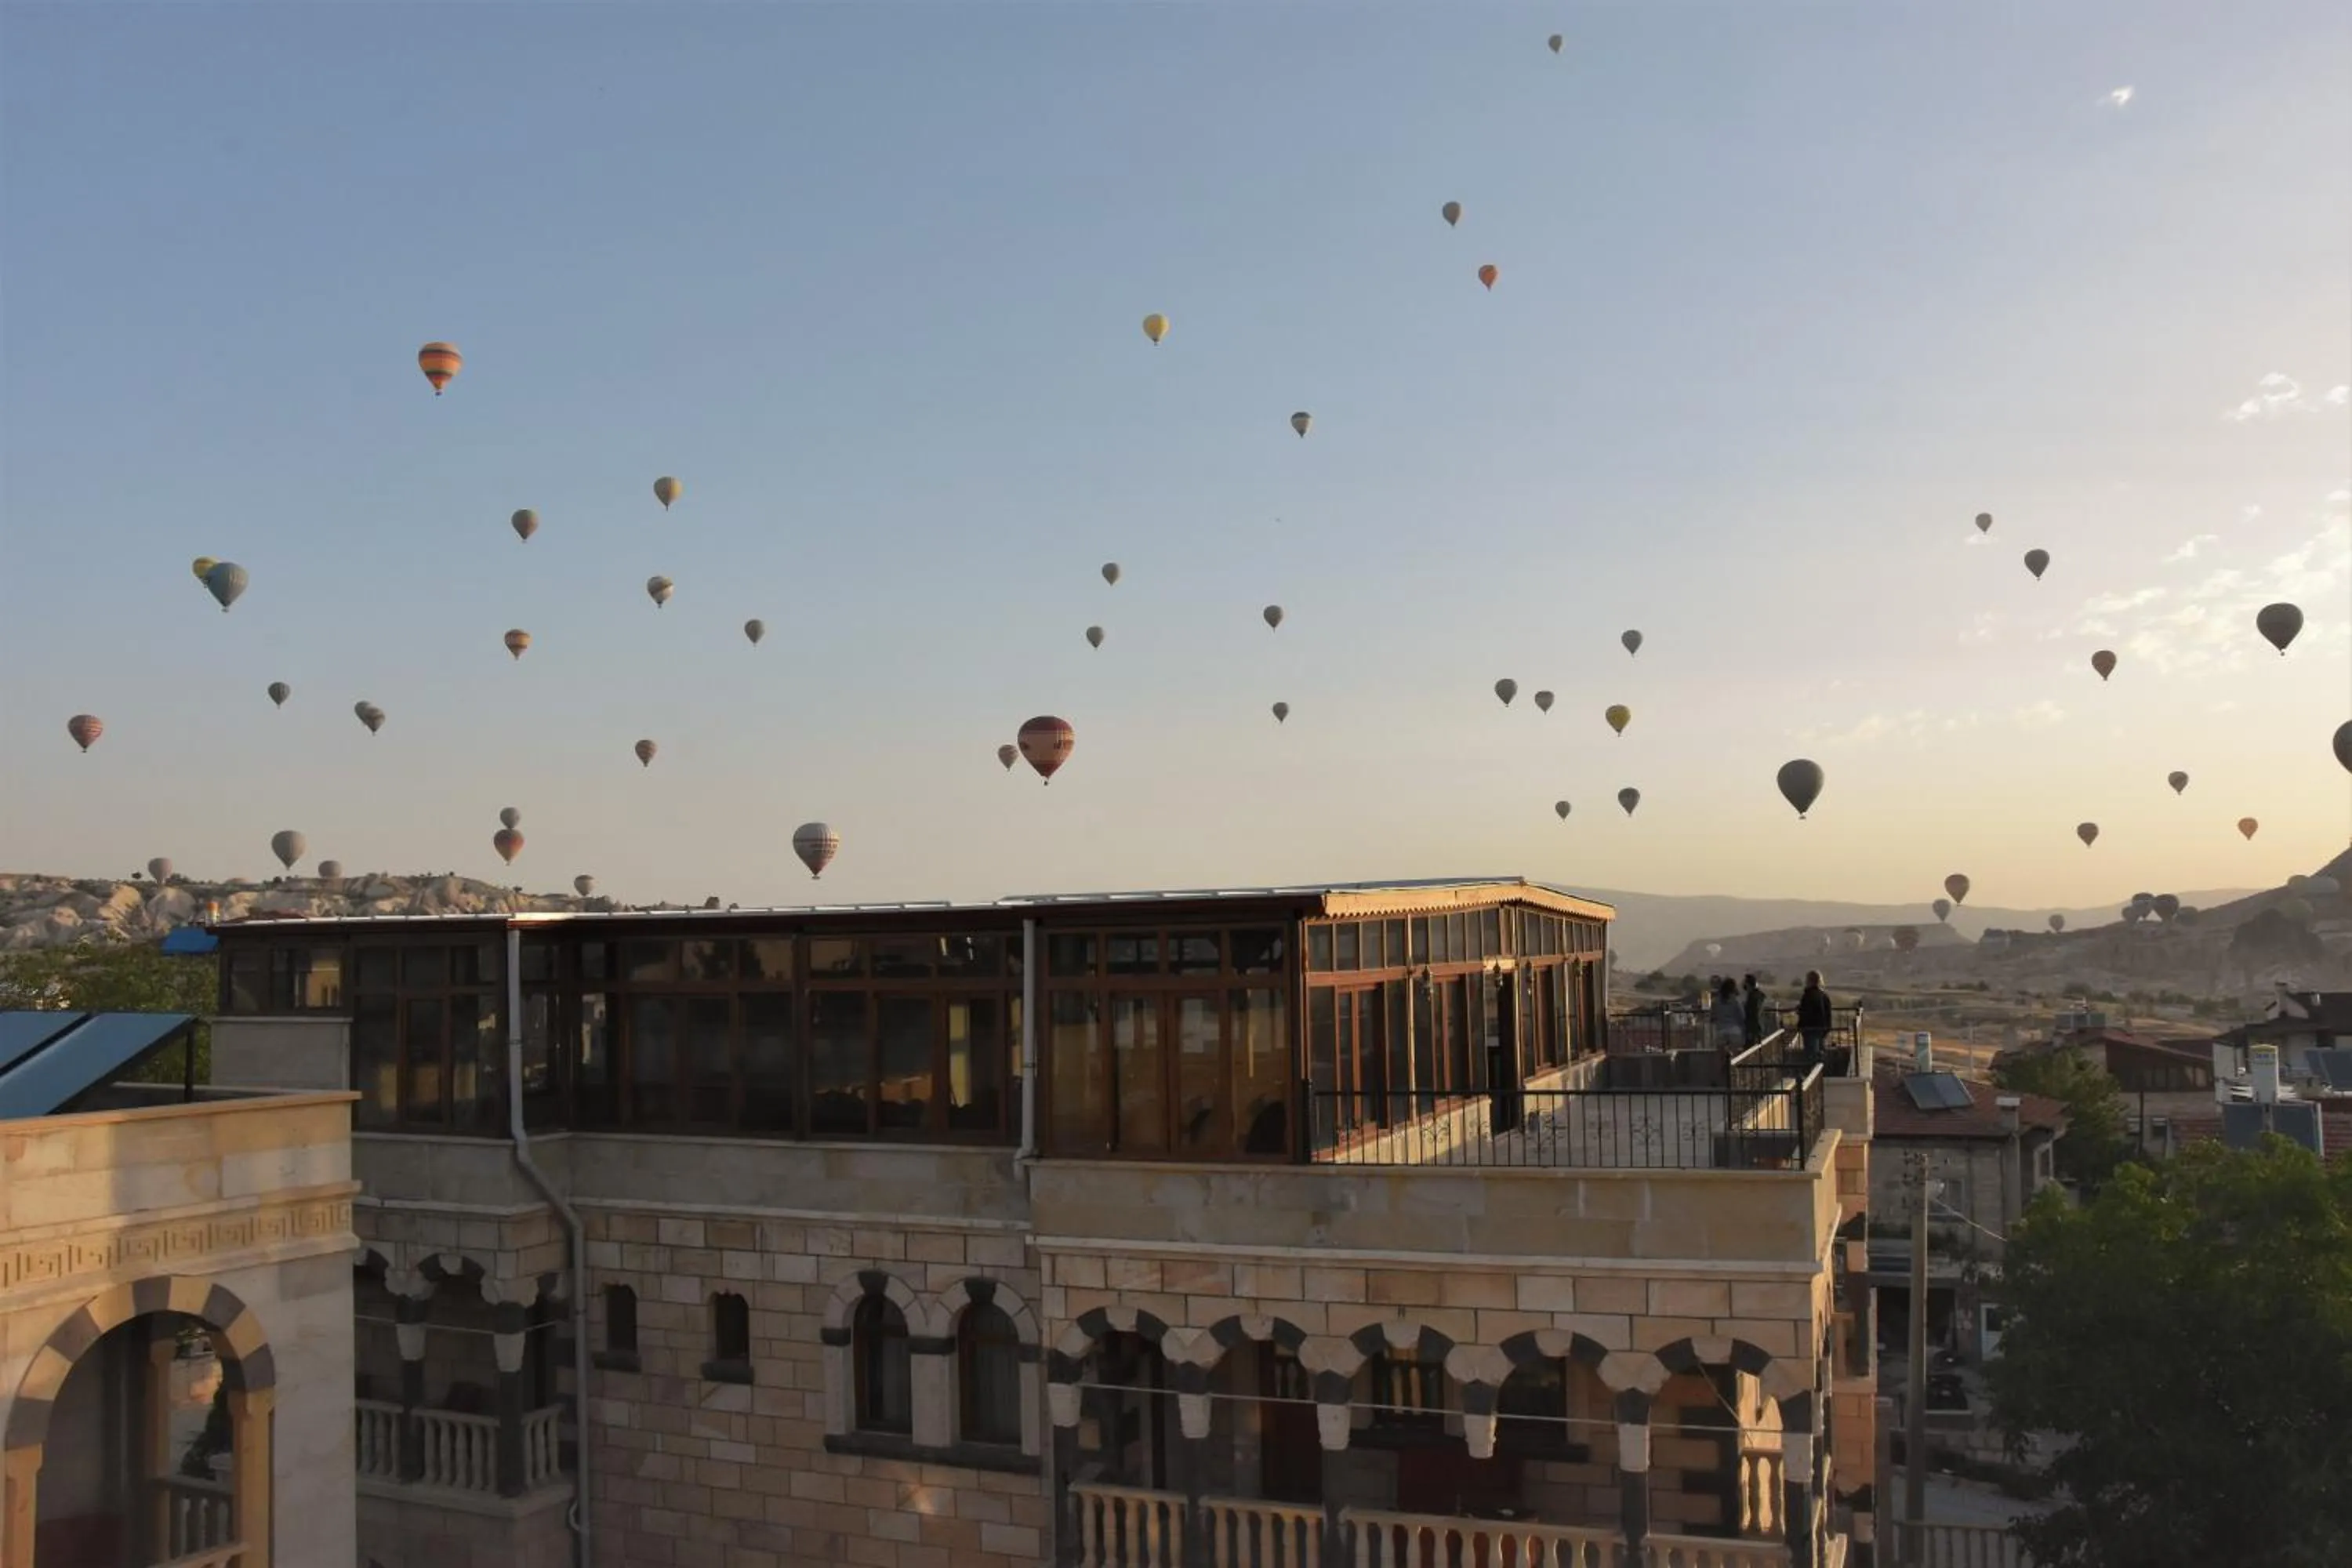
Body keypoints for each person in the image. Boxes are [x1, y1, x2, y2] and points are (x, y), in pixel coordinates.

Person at [1797, 971, 1833, 1062]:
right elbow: (1828, 1014)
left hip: (1809, 1030)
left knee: (1811, 1056)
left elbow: (1806, 1013)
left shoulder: (1808, 996)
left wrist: (1801, 1026)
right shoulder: (1824, 996)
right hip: (1821, 1030)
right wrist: (1827, 1029)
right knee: (1819, 1055)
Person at [1710, 978, 1744, 1049]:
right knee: (1735, 1058)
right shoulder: (1736, 1002)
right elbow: (1742, 1017)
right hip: (1735, 1031)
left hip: (1720, 1031)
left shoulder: (1715, 1002)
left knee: (1720, 1057)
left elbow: (1713, 1017)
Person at [1740, 975, 1767, 1047]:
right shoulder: (1756, 996)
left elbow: (1755, 1014)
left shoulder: (1754, 997)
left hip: (1753, 1031)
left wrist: (1751, 1031)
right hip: (1756, 1030)